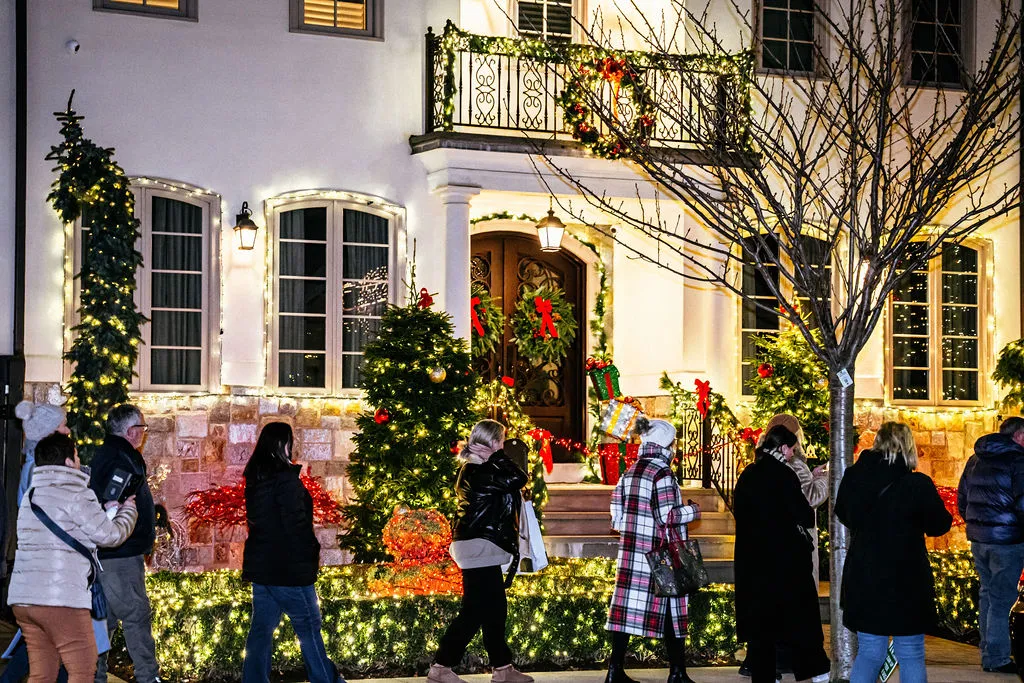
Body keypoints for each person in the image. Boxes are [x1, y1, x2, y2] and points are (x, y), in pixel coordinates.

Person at [8, 432, 137, 683]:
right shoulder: (75, 491)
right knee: (82, 670)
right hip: (60, 599)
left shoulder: (32, 495)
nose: (78, 461)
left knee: (42, 674)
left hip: (25, 600)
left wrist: (104, 512)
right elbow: (110, 536)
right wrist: (128, 511)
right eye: (76, 455)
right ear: (68, 462)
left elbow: (64, 529)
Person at [836, 422, 953, 683]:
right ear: (908, 447)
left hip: (864, 576)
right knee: (910, 652)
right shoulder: (916, 484)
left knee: (869, 653)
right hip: (906, 579)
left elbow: (843, 513)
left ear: (877, 443)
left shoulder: (853, 477)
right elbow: (939, 524)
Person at [429, 420, 532, 683]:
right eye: (501, 441)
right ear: (492, 442)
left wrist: (493, 457)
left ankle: (503, 668)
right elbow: (518, 477)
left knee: (494, 609)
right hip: (478, 546)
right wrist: (497, 456)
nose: (503, 446)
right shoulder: (477, 472)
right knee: (475, 611)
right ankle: (441, 667)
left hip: (479, 545)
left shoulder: (479, 469)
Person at [240, 422, 343, 683]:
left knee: (261, 630)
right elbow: (296, 527)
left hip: (263, 570)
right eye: (289, 441)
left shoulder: (256, 479)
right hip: (289, 571)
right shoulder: (285, 480)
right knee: (309, 629)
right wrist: (310, 557)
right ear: (282, 445)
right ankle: (326, 680)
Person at [604, 418, 701, 683]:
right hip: (661, 554)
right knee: (673, 609)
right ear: (666, 445)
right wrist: (692, 510)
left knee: (625, 610)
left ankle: (614, 672)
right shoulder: (662, 472)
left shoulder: (632, 470)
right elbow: (667, 515)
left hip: (633, 552)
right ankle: (677, 673)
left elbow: (616, 515)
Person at [733, 425, 830, 683]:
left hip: (753, 564)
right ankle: (815, 670)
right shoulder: (784, 475)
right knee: (800, 621)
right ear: (784, 447)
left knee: (762, 629)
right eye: (791, 450)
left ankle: (765, 675)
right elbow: (804, 513)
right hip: (785, 564)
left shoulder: (748, 475)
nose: (792, 455)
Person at [2, 400, 73, 683]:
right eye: (61, 425)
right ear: (47, 433)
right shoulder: (40, 472)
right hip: (49, 569)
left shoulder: (37, 467)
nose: (67, 430)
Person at [89, 404, 159, 683]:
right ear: (132, 431)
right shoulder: (122, 457)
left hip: (112, 553)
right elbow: (113, 502)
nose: (143, 434)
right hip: (120, 554)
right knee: (136, 615)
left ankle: (93, 675)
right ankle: (147, 676)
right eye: (142, 428)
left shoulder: (110, 453)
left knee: (105, 619)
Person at [957, 416, 1024, 673]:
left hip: (979, 538)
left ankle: (987, 649)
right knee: (1002, 599)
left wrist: (976, 524)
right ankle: (996, 658)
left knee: (987, 593)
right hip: (1007, 541)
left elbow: (963, 497)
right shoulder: (1017, 461)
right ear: (1017, 436)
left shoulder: (976, 459)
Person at [14, 400, 70, 505]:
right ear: (50, 433)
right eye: (64, 426)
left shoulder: (35, 462)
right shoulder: (39, 468)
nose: (68, 431)